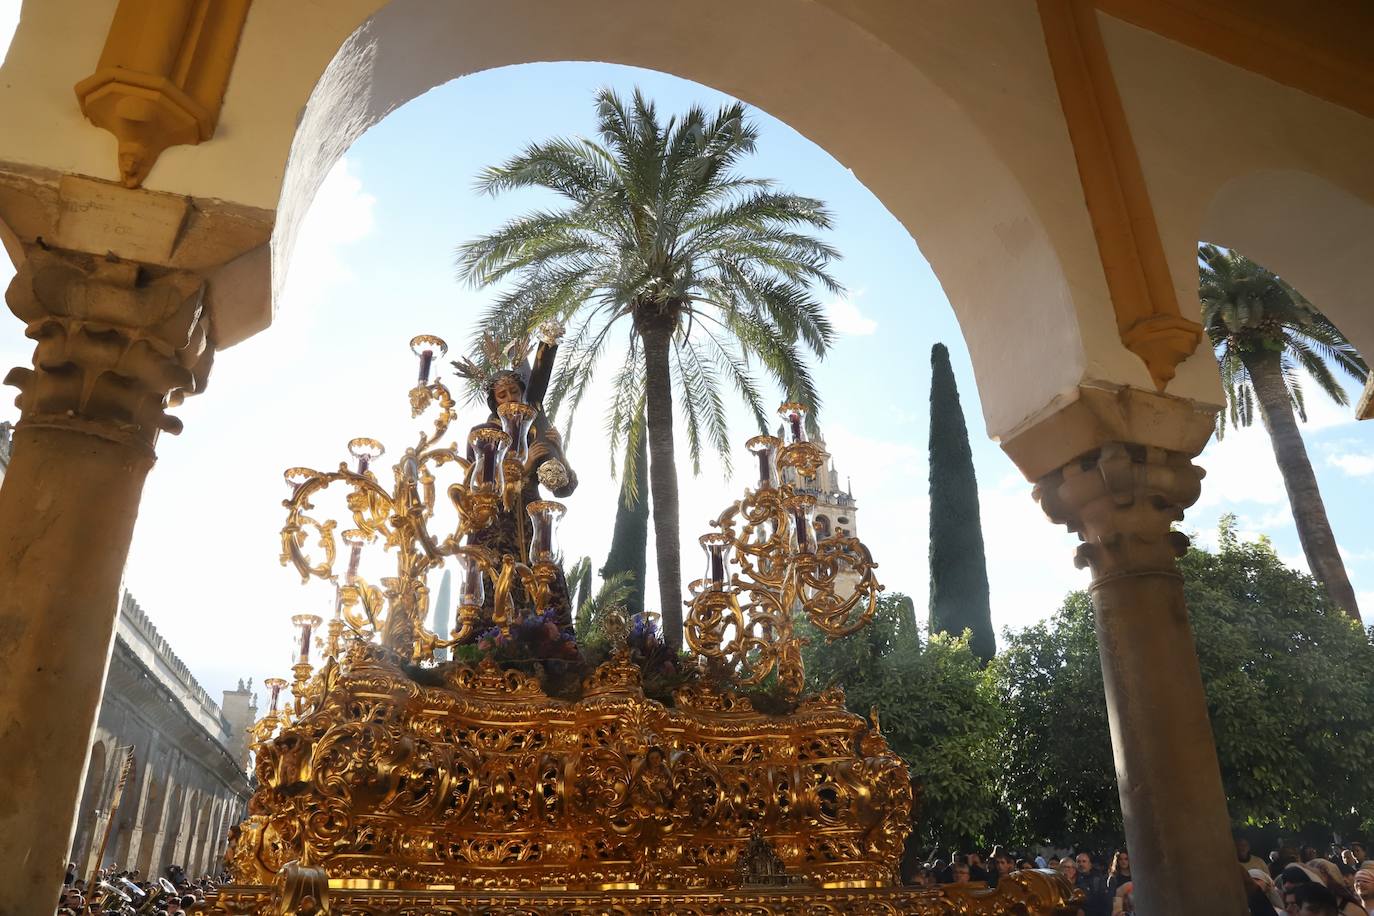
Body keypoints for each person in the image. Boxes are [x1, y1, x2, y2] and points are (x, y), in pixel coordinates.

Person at [465, 368, 580, 631]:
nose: (509, 399)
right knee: (497, 583)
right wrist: (525, 466)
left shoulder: (536, 433)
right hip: (496, 524)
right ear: (495, 402)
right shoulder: (484, 434)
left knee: (545, 581)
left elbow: (564, 489)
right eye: (502, 395)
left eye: (514, 392)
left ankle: (551, 641)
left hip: (535, 525)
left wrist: (559, 451)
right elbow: (483, 485)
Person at [1075, 852, 1111, 916]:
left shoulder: (1098, 879)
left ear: (1090, 864)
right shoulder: (1074, 878)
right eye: (1078, 862)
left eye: (1084, 861)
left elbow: (1103, 900)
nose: (1081, 864)